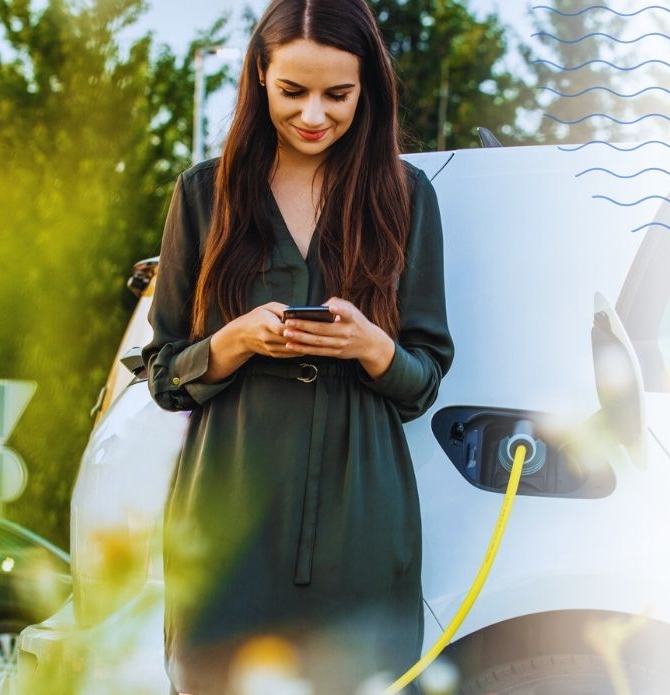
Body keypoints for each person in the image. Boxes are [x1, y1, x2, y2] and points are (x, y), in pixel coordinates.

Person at [142, 0, 454, 692]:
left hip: (360, 516)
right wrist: (235, 338)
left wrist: (372, 345)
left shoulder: (407, 197)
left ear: (366, 87)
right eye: (294, 91)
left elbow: (424, 377)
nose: (315, 114)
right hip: (229, 508)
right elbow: (164, 374)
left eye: (337, 95)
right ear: (259, 76)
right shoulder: (203, 195)